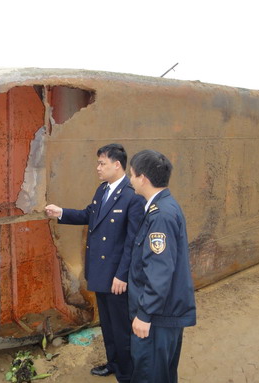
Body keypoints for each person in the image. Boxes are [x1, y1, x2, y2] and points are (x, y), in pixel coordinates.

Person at [45, 143, 145, 383]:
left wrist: (122, 275)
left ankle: (127, 374)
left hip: (117, 277)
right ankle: (113, 363)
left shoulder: (132, 197)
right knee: (108, 325)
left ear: (117, 165)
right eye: (98, 163)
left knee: (121, 328)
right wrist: (61, 212)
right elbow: (89, 215)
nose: (98, 168)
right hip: (100, 272)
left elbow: (133, 242)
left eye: (102, 163)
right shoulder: (103, 190)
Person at [127, 150, 196, 383]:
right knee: (163, 373)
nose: (130, 180)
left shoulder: (161, 215)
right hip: (164, 312)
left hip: (157, 316)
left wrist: (145, 314)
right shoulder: (163, 206)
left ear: (143, 178)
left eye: (132, 175)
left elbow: (159, 270)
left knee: (150, 373)